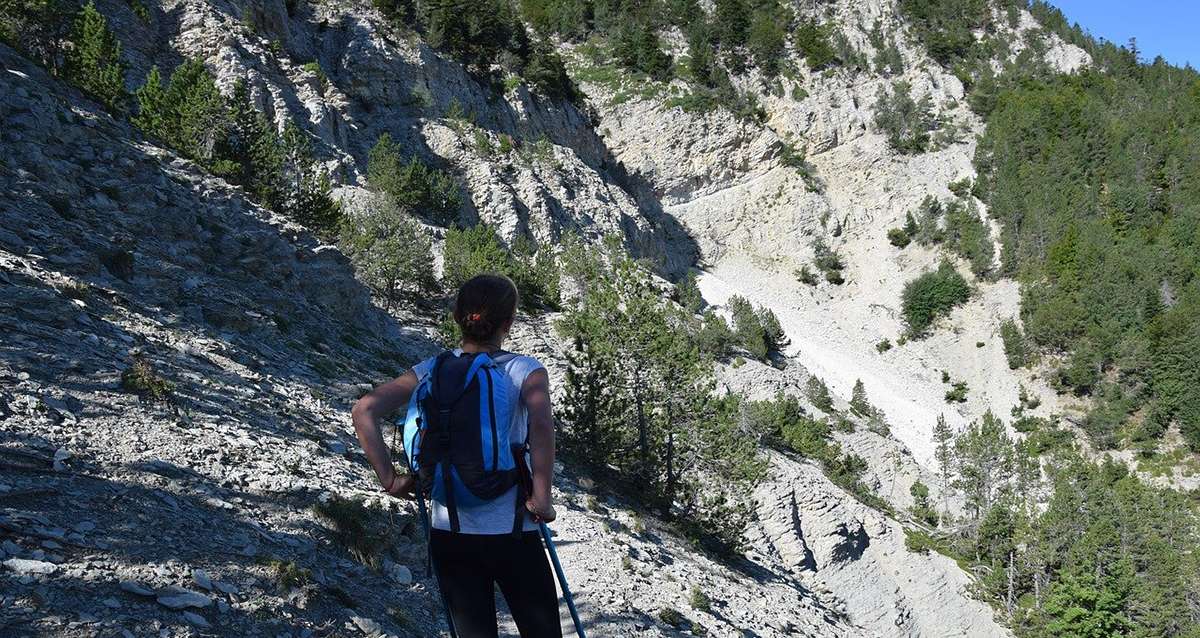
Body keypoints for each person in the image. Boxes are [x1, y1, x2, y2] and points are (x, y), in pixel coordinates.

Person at [351, 273, 562, 638]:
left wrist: (390, 480)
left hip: (448, 531)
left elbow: (364, 410)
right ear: (509, 323)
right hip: (511, 530)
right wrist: (541, 498)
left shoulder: (430, 369)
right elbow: (541, 429)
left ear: (457, 316)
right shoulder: (525, 370)